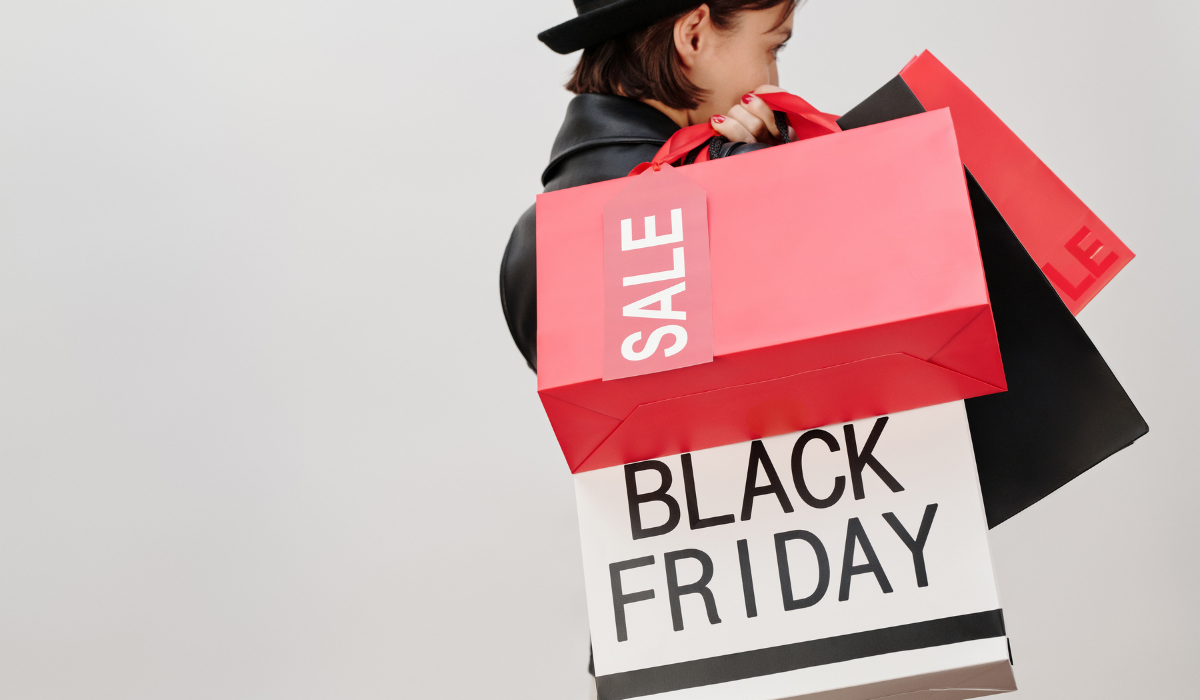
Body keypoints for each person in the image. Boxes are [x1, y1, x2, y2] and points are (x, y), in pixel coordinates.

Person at [501, 0, 802, 371]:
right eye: (772, 47)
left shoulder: (529, 239)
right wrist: (777, 177)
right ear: (693, 36)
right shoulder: (728, 189)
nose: (773, 80)